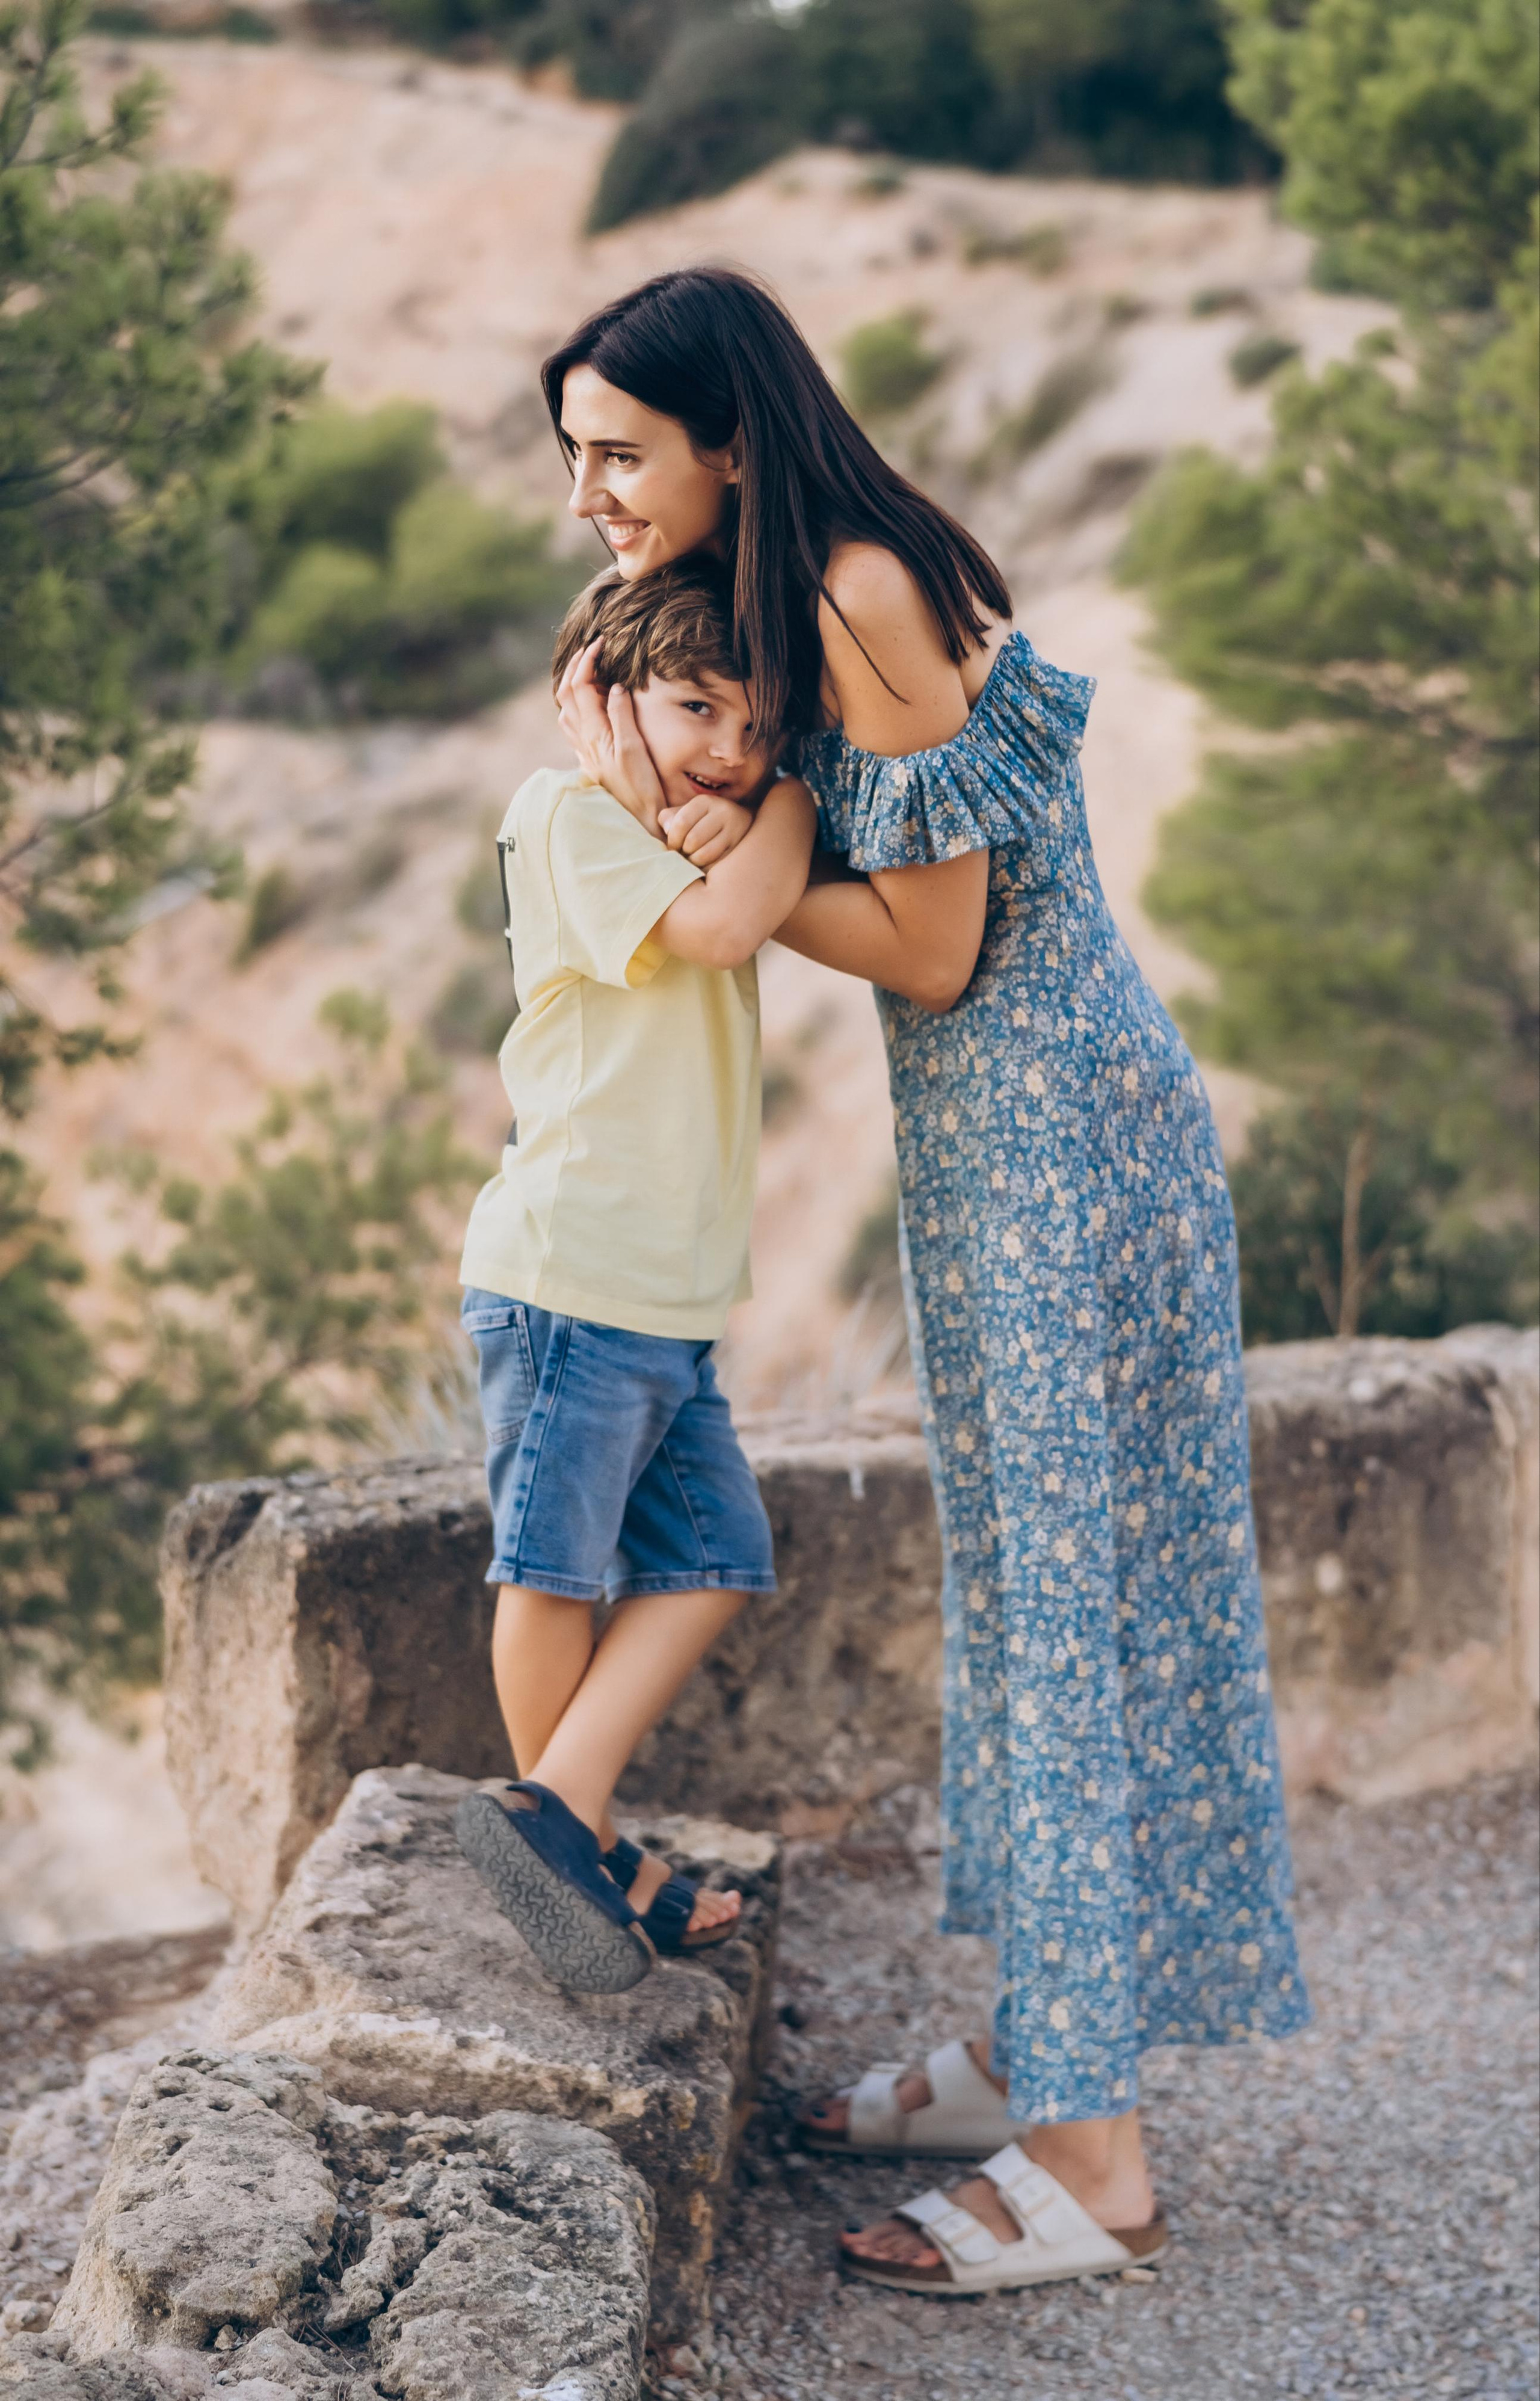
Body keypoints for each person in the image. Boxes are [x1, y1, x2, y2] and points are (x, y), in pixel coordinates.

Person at [546, 265, 1312, 2290]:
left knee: (1066, 1631)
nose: (594, 495)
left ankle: (1100, 2173)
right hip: (1013, 1155)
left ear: (727, 436)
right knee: (1027, 1610)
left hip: (1063, 1141)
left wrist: (733, 863)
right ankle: (1043, 2055)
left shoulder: (862, 592)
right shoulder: (818, 589)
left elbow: (945, 950)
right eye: (574, 461)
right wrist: (729, 822)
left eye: (618, 452)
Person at [454, 556, 815, 1995]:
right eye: (692, 707)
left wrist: (745, 809)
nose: (727, 749)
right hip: (571, 1273)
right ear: (599, 702)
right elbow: (728, 927)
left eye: (761, 729)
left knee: (716, 1557)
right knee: (552, 1565)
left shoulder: (691, 835)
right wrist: (782, 809)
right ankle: (578, 1843)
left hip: (663, 1296)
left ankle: (563, 1820)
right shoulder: (566, 818)